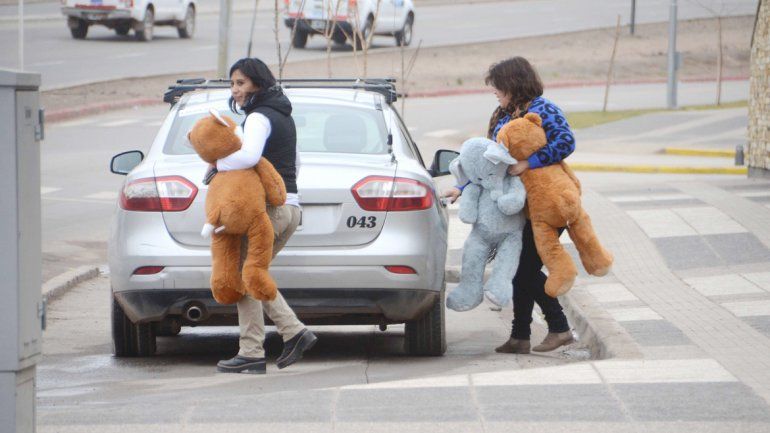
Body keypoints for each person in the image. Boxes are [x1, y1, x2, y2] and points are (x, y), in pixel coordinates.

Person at [443, 57, 575, 354]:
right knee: (519, 270)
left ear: (514, 84)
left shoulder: (544, 109)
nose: (495, 92)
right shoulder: (500, 115)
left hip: (544, 205)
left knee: (523, 270)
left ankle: (559, 327)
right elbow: (486, 163)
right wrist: (462, 187)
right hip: (514, 209)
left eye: (498, 87)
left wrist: (530, 162)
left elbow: (566, 142)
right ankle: (520, 337)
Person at [210, 57, 317, 374]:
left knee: (247, 274)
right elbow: (296, 163)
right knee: (249, 274)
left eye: (241, 83)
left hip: (270, 212)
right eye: (232, 83)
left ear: (257, 83)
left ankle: (291, 332)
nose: (235, 89)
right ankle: (252, 352)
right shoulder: (283, 115)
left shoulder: (259, 118)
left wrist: (218, 164)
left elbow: (250, 155)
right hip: (291, 209)